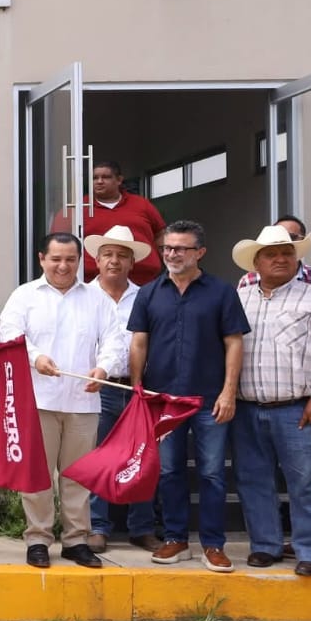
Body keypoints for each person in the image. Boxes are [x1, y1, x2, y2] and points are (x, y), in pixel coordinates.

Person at [127, 220, 251, 571]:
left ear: (200, 252)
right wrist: (138, 387)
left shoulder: (221, 292)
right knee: (169, 472)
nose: (172, 254)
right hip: (163, 401)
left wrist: (229, 392)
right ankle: (175, 539)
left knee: (212, 474)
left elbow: (234, 343)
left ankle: (213, 544)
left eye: (181, 248)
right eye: (167, 248)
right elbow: (138, 342)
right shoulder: (149, 293)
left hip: (210, 400)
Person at [232, 225, 311, 576]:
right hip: (246, 408)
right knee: (253, 481)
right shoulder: (238, 299)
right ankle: (264, 545)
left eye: (287, 253)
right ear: (256, 262)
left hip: (300, 408)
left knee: (310, 483)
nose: (280, 259)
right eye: (271, 254)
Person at [0, 233, 127, 569]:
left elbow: (114, 340)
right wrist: (36, 357)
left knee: (78, 476)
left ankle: (75, 541)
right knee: (37, 475)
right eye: (56, 259)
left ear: (79, 261)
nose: (63, 266)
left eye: (70, 259)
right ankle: (38, 539)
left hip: (84, 401)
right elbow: (9, 333)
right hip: (38, 400)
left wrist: (104, 367)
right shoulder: (25, 296)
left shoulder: (96, 299)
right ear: (42, 259)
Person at [80, 225, 159, 553]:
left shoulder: (147, 296)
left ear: (132, 262)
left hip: (139, 387)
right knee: (99, 456)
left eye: (122, 256)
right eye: (108, 255)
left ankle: (142, 527)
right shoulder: (82, 297)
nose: (114, 261)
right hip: (98, 389)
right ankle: (97, 526)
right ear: (97, 260)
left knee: (141, 458)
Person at [74, 161, 166, 285]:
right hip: (92, 284)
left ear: (119, 180)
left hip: (145, 281)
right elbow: (62, 242)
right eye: (94, 178)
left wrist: (169, 262)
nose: (99, 181)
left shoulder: (142, 204)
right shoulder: (78, 208)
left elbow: (161, 235)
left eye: (106, 177)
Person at [237, 215, 311, 290]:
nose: (280, 259)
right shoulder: (249, 280)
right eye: (270, 254)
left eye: (291, 236)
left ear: (302, 239)